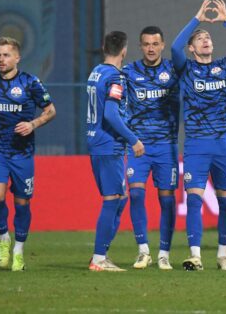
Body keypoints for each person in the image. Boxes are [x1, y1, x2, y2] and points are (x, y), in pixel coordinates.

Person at [171, 0, 226, 271]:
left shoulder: (225, 66)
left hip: (223, 145)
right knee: (193, 199)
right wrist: (196, 19)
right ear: (192, 48)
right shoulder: (186, 69)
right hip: (196, 144)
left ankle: (222, 254)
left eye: (208, 37)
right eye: (200, 39)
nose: (206, 40)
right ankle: (195, 255)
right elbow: (173, 47)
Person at [0, 37, 56, 272]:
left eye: (6, 55)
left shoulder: (31, 83)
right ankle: (3, 238)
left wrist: (33, 124)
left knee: (22, 203)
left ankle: (19, 250)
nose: (1, 59)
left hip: (22, 153)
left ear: (17, 58)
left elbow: (51, 110)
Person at [87, 31, 145, 272]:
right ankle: (98, 259)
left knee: (120, 199)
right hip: (108, 145)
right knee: (112, 200)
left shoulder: (95, 72)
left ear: (103, 47)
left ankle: (103, 253)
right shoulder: (115, 78)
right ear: (124, 50)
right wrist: (133, 140)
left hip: (96, 142)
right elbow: (110, 114)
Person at [122, 26, 179, 270]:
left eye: (155, 43)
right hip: (139, 146)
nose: (151, 48)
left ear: (163, 45)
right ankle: (143, 250)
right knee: (135, 193)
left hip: (166, 146)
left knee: (167, 200)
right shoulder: (128, 72)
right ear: (140, 46)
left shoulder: (174, 70)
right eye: (146, 44)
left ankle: (164, 253)